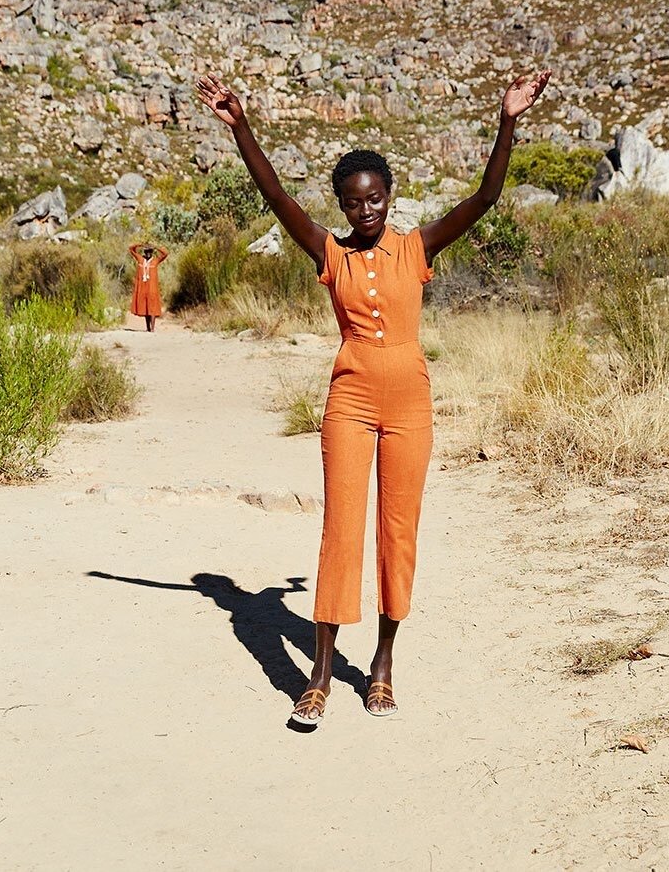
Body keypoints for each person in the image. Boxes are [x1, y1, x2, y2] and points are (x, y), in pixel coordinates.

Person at [195, 68, 551, 725]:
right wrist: (241, 127)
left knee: (397, 531)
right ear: (342, 205)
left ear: (390, 195)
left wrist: (507, 120)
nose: (366, 211)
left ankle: (382, 665)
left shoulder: (416, 248)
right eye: (354, 203)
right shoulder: (329, 254)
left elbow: (486, 196)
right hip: (350, 402)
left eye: (375, 199)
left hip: (411, 404)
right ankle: (320, 676)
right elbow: (275, 196)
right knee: (340, 530)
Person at [128, 242, 168, 332]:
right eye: (146, 251)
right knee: (146, 307)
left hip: (152, 288)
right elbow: (131, 249)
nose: (148, 253)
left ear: (152, 252)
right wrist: (140, 244)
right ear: (144, 252)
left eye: (150, 251)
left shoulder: (155, 261)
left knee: (152, 307)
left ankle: (152, 328)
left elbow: (165, 254)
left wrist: (156, 247)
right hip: (143, 287)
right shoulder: (140, 259)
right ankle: (148, 328)